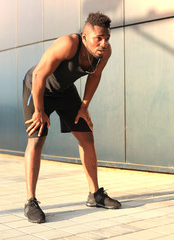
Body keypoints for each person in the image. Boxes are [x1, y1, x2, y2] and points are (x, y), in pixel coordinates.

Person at [22, 12, 121, 223]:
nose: (104, 43)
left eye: (107, 38)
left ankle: (95, 195)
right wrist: (39, 111)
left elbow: (95, 76)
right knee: (37, 139)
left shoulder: (104, 53)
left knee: (86, 136)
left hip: (65, 91)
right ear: (85, 37)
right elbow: (39, 75)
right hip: (38, 88)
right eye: (99, 38)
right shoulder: (68, 44)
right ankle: (30, 201)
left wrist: (84, 106)